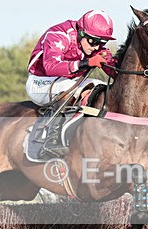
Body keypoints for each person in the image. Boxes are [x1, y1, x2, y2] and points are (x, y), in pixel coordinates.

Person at [26, 9, 118, 158]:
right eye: (93, 41)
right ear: (81, 33)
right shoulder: (59, 35)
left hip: (67, 81)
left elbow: (115, 71)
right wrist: (87, 63)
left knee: (102, 88)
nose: (96, 47)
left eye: (102, 42)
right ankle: (51, 140)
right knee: (67, 87)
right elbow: (50, 66)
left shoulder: (92, 43)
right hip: (40, 81)